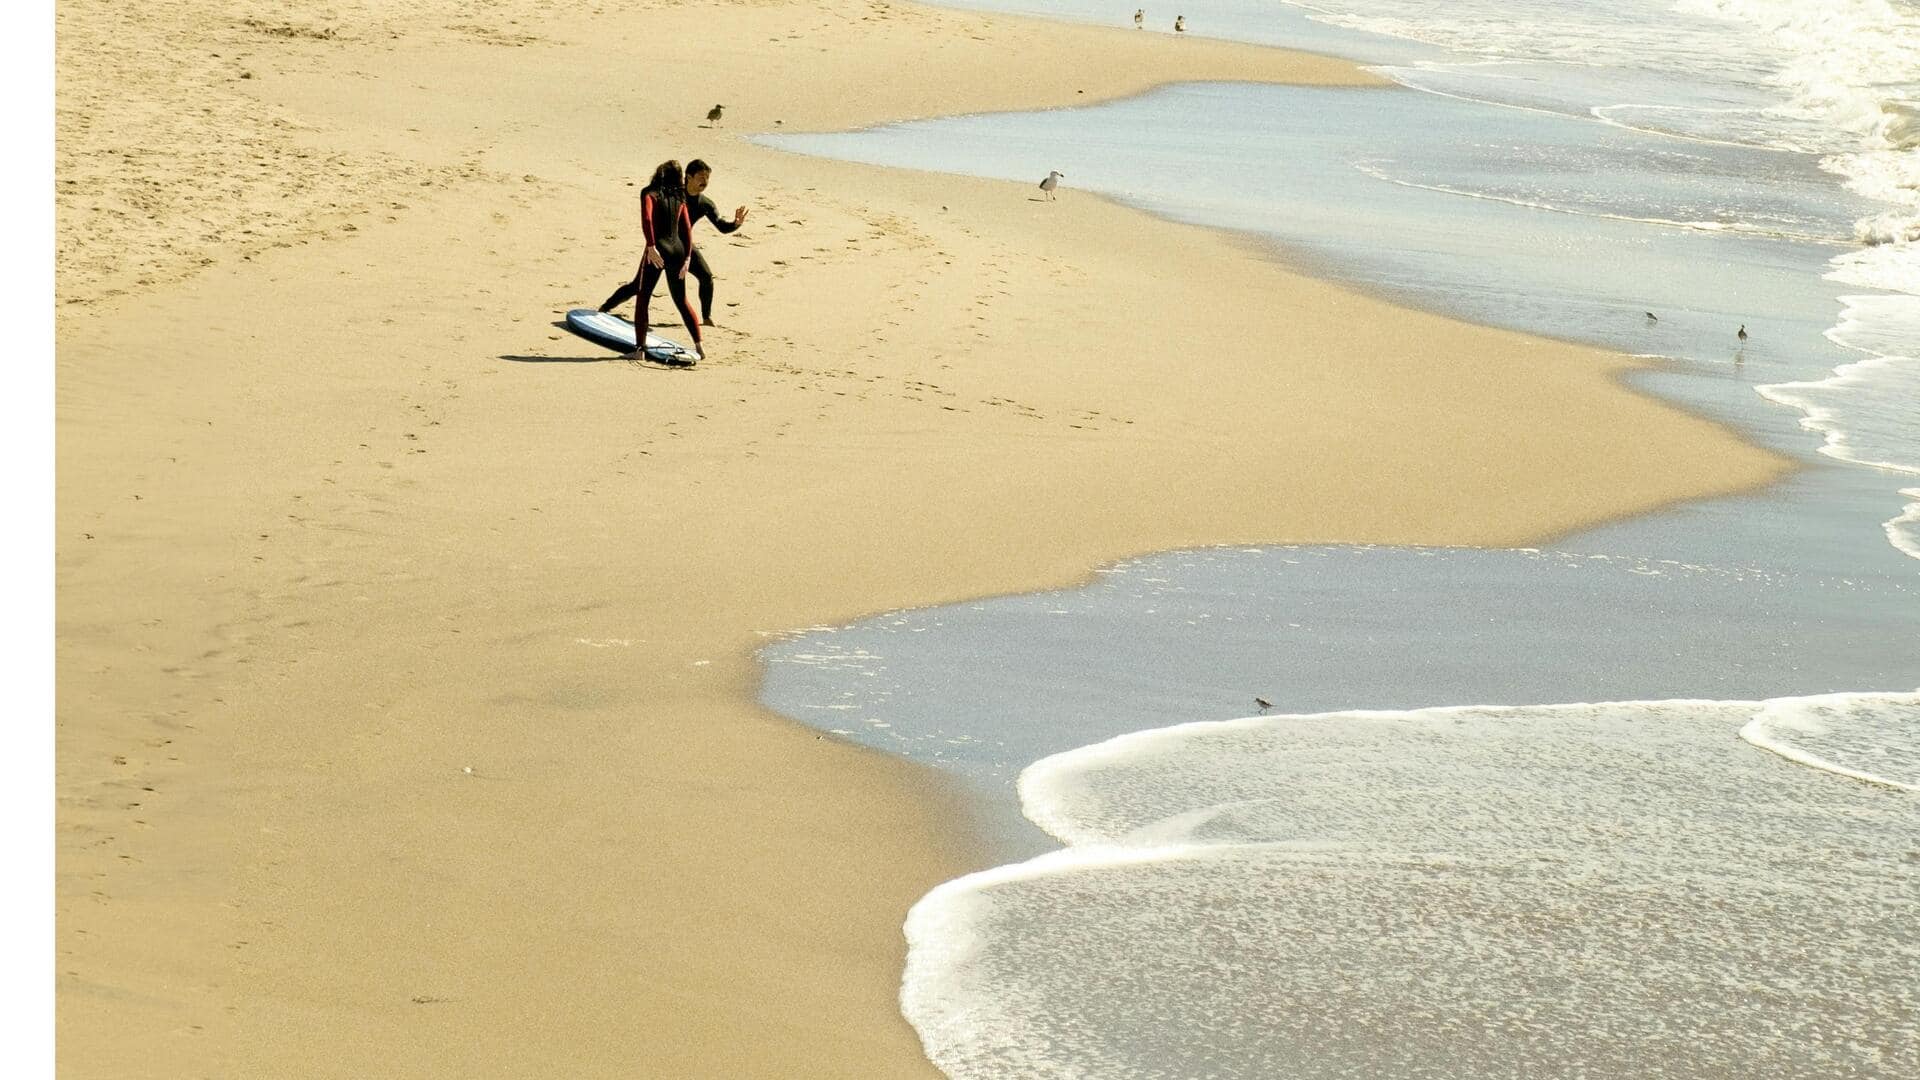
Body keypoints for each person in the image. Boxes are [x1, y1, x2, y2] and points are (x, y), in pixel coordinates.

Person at [598, 160, 703, 362]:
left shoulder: (649, 192)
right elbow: (686, 229)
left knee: (643, 297)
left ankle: (639, 350)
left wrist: (651, 245)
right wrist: (688, 257)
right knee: (681, 301)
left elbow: (647, 219)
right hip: (679, 251)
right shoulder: (679, 196)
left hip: (658, 250)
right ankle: (699, 346)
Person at [680, 159, 749, 325]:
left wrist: (735, 223)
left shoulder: (705, 204)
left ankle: (706, 317)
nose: (705, 181)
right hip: (663, 245)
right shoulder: (674, 194)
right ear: (689, 177)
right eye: (701, 177)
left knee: (706, 277)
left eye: (707, 178)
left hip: (684, 245)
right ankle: (606, 308)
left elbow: (722, 227)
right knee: (640, 283)